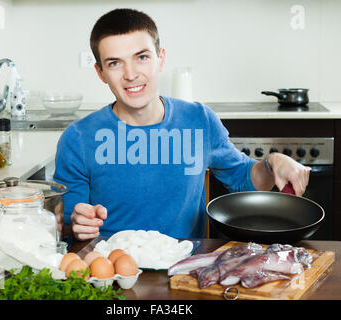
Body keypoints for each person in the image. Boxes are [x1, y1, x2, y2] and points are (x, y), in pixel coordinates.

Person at [54, 8, 311, 241]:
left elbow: (244, 179)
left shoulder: (199, 120)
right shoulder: (78, 138)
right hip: (111, 274)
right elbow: (67, 226)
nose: (131, 74)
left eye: (141, 57)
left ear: (160, 59)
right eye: (114, 63)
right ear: (101, 73)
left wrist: (273, 162)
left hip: (183, 272)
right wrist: (77, 223)